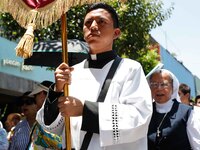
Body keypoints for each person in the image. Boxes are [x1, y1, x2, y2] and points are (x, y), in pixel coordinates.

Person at [37, 2, 152, 150]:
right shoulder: (72, 72)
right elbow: (51, 128)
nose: (93, 26)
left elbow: (140, 118)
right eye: (88, 23)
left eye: (101, 22)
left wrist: (85, 110)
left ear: (116, 33)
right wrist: (56, 92)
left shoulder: (130, 68)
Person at [147, 69, 199, 150]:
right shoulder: (145, 112)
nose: (159, 88)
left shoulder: (187, 113)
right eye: (154, 84)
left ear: (173, 87)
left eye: (163, 84)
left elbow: (197, 145)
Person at [27, 80, 62, 150]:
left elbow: (59, 143)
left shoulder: (57, 118)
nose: (35, 101)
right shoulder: (41, 118)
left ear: (42, 94)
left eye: (35, 96)